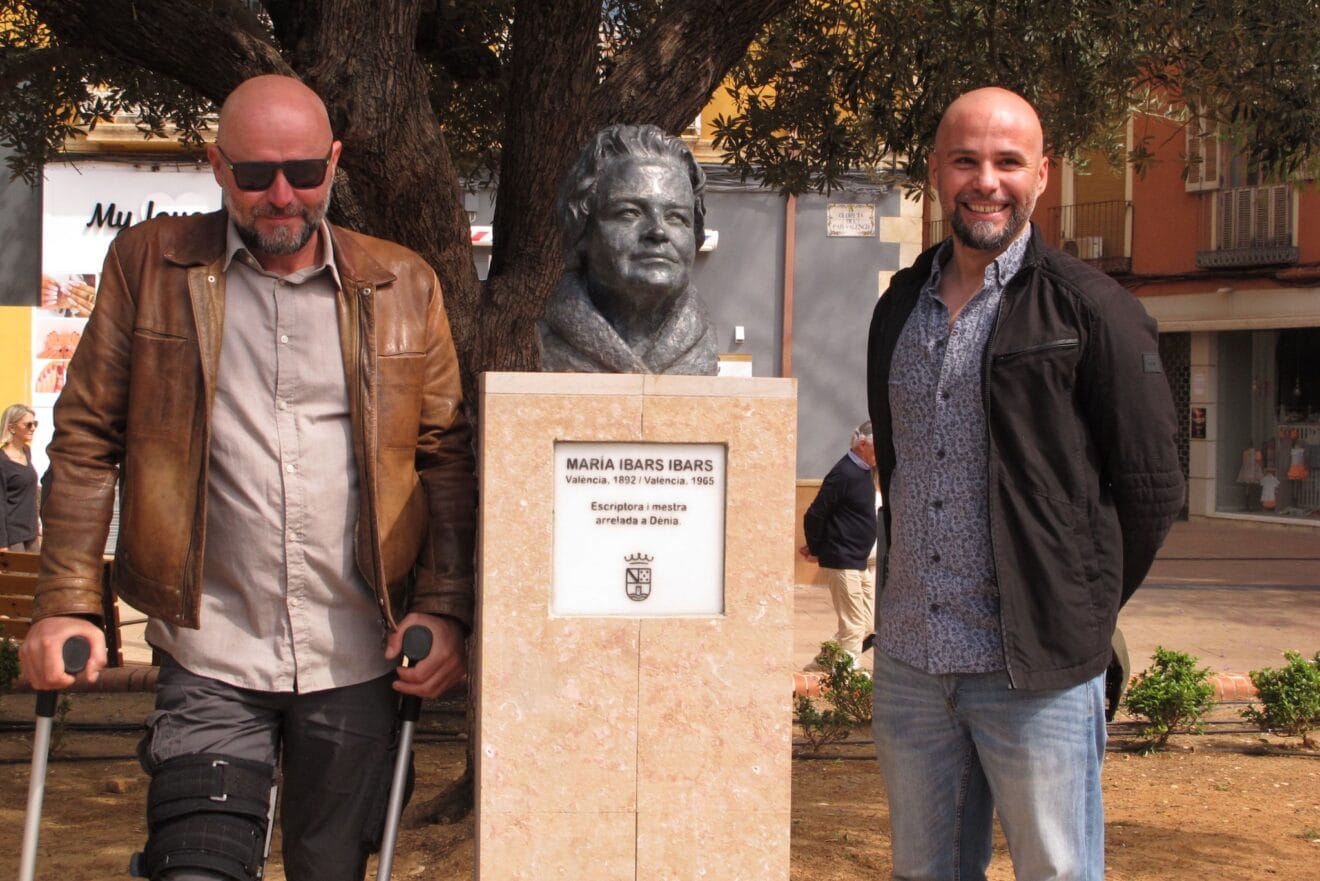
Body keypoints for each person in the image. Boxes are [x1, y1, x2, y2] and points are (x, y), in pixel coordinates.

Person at [19, 75, 476, 881]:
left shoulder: (404, 283)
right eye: (255, 173)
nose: (281, 195)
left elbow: (442, 453)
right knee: (195, 865)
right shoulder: (148, 265)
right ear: (216, 165)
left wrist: (443, 607)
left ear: (333, 162)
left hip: (358, 653)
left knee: (330, 866)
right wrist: (64, 602)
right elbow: (87, 436)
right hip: (211, 648)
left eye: (303, 171)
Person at [865, 87, 1183, 881]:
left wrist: (1073, 608)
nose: (987, 180)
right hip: (911, 666)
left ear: (1042, 174)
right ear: (936, 171)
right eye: (966, 159)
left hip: (1034, 676)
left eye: (1008, 162)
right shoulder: (898, 307)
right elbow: (901, 467)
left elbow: (1150, 488)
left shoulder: (1095, 310)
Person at [539, 124, 718, 374]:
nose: (657, 232)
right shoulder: (549, 334)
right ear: (582, 230)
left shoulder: (700, 340)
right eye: (629, 213)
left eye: (676, 217)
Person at [799, 421, 878, 668]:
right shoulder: (844, 473)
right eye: (878, 448)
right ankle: (845, 681)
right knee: (853, 625)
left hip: (859, 560)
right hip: (843, 560)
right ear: (862, 445)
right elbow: (815, 513)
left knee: (866, 625)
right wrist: (816, 548)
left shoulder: (864, 470)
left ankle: (820, 665)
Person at [0, 404, 40, 552]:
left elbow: (29, 494)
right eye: (28, 424)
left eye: (35, 423)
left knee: (36, 574)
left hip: (31, 533)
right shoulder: (2, 461)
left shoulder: (26, 452)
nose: (33, 428)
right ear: (11, 428)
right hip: (12, 537)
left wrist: (37, 525)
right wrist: (2, 544)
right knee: (17, 574)